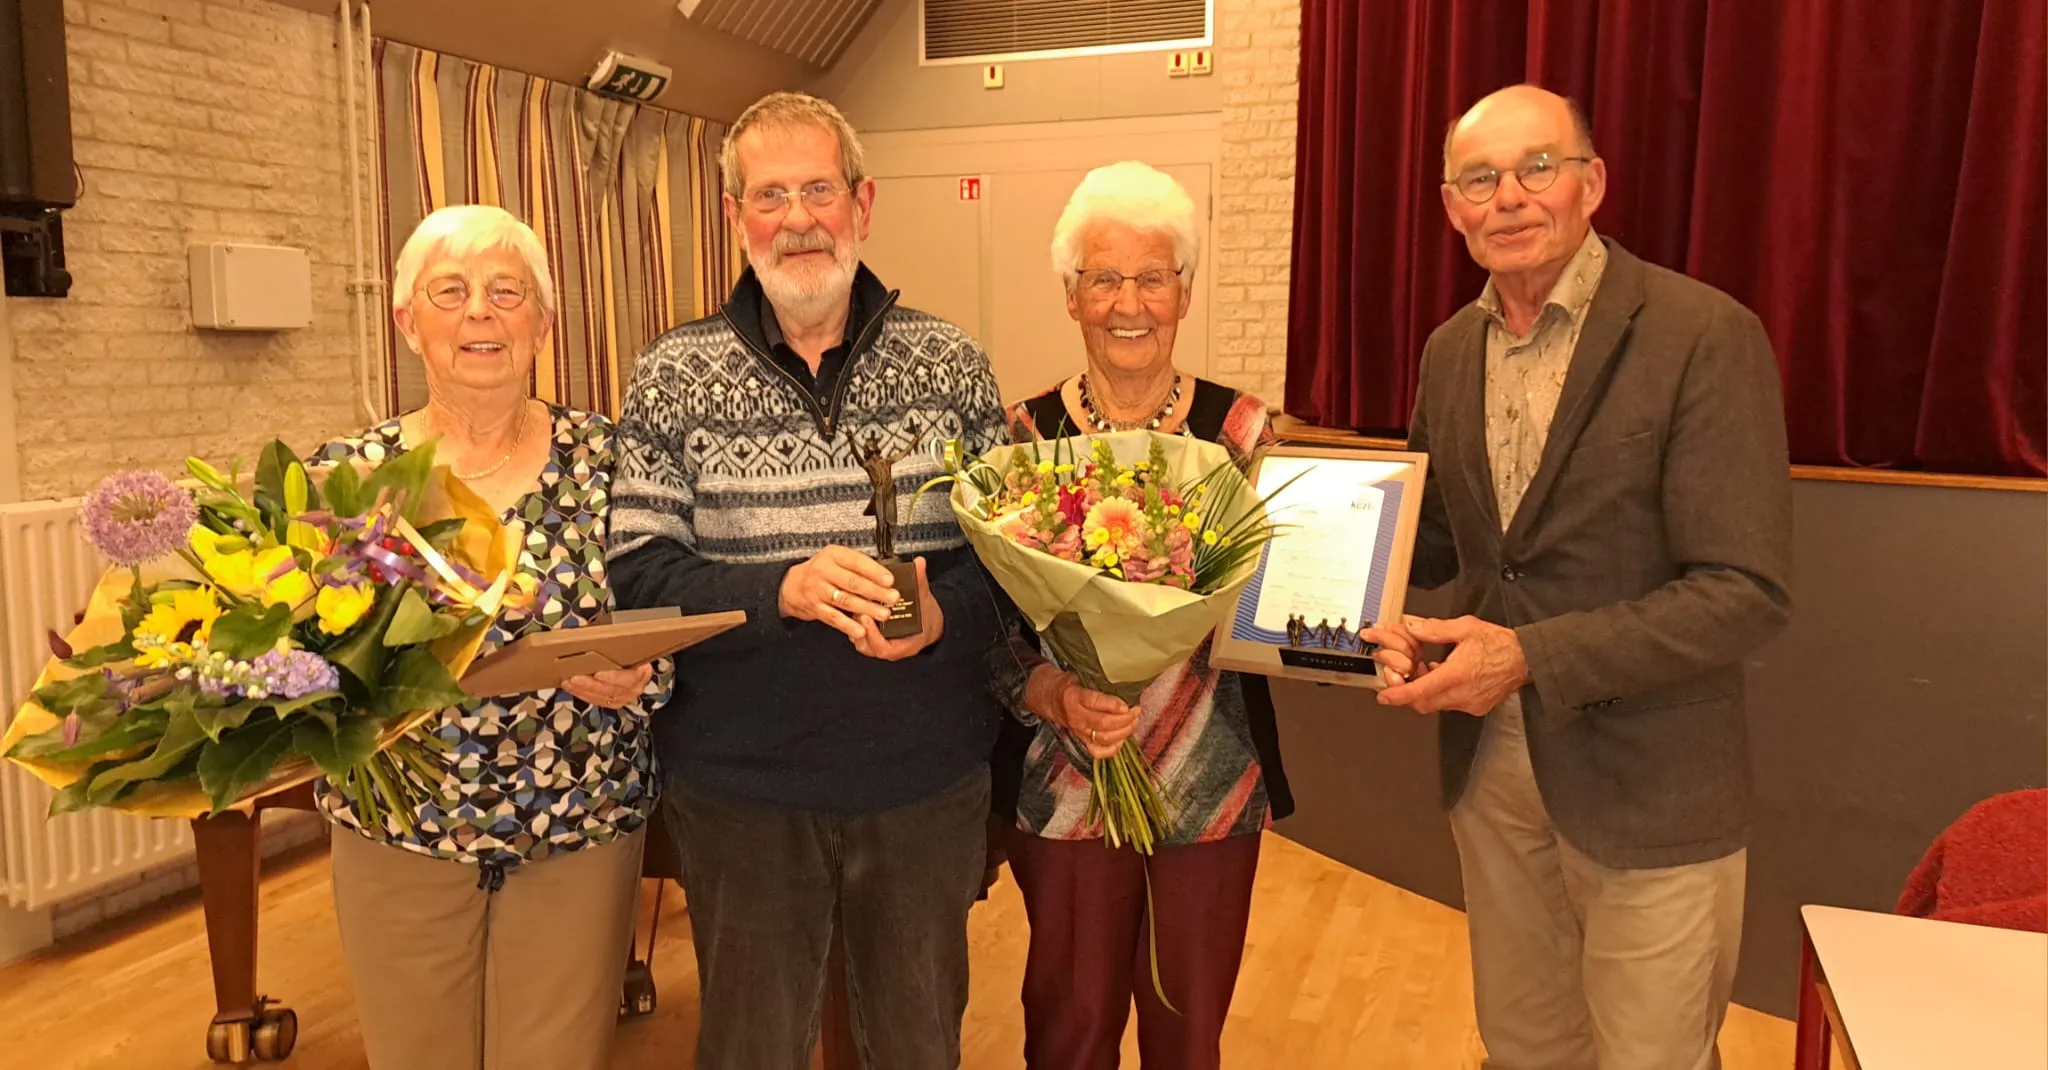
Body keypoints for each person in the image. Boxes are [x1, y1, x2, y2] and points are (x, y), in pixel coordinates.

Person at [1362, 85, 1793, 1070]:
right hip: (1492, 776)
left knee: (1650, 1055)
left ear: (1590, 182)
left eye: (1536, 167)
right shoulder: (1445, 353)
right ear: (1448, 203)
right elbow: (1441, 549)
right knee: (1524, 1046)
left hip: (1650, 782)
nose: (1507, 197)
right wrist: (1315, 561)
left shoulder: (1702, 334)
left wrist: (1525, 656)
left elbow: (1743, 588)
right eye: (1480, 176)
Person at [607, 91, 1010, 1070]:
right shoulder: (669, 373)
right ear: (735, 213)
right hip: (741, 788)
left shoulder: (951, 363)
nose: (797, 219)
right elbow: (638, 571)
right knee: (751, 1047)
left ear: (863, 204)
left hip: (922, 780)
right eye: (769, 194)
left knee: (918, 1045)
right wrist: (776, 591)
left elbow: (1007, 569)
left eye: (818, 190)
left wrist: (937, 623)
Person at [311, 204, 669, 1070]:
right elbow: (310, 658)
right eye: (452, 291)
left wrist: (643, 670)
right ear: (407, 321)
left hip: (580, 819)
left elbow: (667, 608)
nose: (481, 312)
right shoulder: (349, 477)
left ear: (544, 323)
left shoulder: (614, 459)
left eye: (508, 292)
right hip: (401, 827)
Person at [992, 160, 1295, 1070]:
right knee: (1070, 1027)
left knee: (1186, 1031)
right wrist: (1046, 690)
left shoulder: (1243, 434)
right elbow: (992, 627)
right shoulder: (1027, 437)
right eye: (1105, 279)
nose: (1130, 302)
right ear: (1072, 297)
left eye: (1153, 278)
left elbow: (1283, 593)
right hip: (1070, 773)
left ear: (1185, 293)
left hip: (1212, 778)